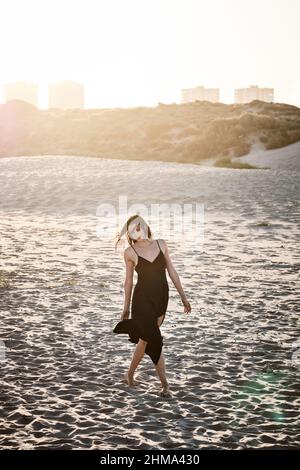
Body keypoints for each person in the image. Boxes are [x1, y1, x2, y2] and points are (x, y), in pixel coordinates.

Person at [113, 214, 191, 397]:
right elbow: (128, 281)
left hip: (161, 299)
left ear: (145, 225)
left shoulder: (161, 244)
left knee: (146, 339)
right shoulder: (130, 252)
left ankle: (130, 374)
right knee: (155, 339)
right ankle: (165, 385)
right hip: (142, 301)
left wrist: (183, 296)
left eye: (139, 225)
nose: (137, 228)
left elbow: (171, 271)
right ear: (130, 233)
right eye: (133, 227)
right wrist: (126, 307)